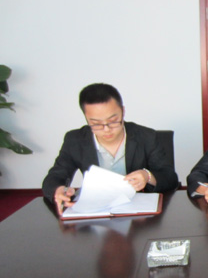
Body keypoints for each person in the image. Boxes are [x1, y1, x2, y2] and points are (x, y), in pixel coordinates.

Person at [42, 83, 179, 212]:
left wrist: (147, 176)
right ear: (86, 118)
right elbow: (56, 175)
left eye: (113, 121)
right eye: (96, 124)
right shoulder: (75, 140)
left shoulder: (146, 137)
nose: (106, 129)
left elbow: (169, 177)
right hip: (95, 211)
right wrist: (58, 190)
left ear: (123, 111)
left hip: (138, 213)